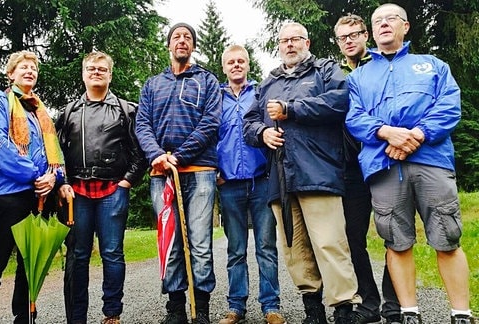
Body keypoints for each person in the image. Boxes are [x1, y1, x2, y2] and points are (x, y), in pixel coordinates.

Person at [345, 4, 475, 324]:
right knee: (396, 241)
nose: (383, 24)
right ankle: (408, 312)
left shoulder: (432, 66)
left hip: (431, 160)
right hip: (384, 165)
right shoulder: (359, 76)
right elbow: (353, 116)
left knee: (447, 237)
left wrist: (416, 135)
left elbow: (448, 106)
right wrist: (386, 132)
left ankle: (460, 312)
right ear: (372, 33)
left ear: (405, 27)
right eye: (377, 22)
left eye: (390, 19)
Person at [243, 21, 361, 324]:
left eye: (296, 39)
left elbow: (339, 102)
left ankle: (344, 309)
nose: (290, 45)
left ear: (307, 43)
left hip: (319, 171)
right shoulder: (269, 82)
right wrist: (261, 135)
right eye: (284, 41)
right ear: (279, 46)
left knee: (330, 243)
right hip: (281, 177)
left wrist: (291, 108)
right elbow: (249, 121)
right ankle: (313, 311)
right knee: (295, 250)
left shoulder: (325, 71)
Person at [0, 50, 65, 324]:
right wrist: (36, 175)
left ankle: (25, 316)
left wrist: (54, 178)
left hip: (39, 197)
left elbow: (54, 151)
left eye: (33, 68)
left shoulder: (40, 110)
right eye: (23, 67)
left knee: (29, 261)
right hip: (9, 195)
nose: (29, 71)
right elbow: (2, 147)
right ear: (11, 74)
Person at [135, 22, 221, 324]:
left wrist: (179, 156)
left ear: (193, 46)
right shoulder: (152, 84)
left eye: (187, 37)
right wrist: (158, 156)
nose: (181, 41)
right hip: (162, 175)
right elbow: (142, 124)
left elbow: (211, 123)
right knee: (170, 241)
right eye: (176, 37)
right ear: (169, 45)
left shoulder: (207, 81)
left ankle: (202, 310)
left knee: (199, 242)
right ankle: (175, 309)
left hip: (199, 172)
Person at [55, 51, 146, 324]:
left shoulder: (127, 109)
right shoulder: (68, 112)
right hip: (77, 194)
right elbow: (55, 153)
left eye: (102, 69)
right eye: (91, 68)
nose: (96, 72)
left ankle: (112, 314)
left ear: (110, 74)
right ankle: (77, 317)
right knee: (78, 255)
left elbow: (139, 151)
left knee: (112, 253)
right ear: (83, 74)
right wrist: (63, 184)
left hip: (112, 192)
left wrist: (127, 181)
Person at [334, 14, 401, 324]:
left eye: (355, 34)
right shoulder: (334, 74)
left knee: (394, 233)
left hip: (384, 159)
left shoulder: (382, 66)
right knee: (352, 236)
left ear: (366, 36)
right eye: (342, 37)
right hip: (350, 167)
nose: (349, 40)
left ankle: (394, 303)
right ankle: (369, 302)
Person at [216, 44, 284, 324]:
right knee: (236, 249)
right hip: (229, 183)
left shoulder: (262, 93)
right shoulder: (215, 98)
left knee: (266, 246)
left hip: (261, 182)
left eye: (241, 61)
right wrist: (215, 170)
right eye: (230, 62)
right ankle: (236, 306)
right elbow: (209, 137)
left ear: (247, 65)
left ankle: (271, 306)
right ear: (224, 67)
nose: (236, 65)